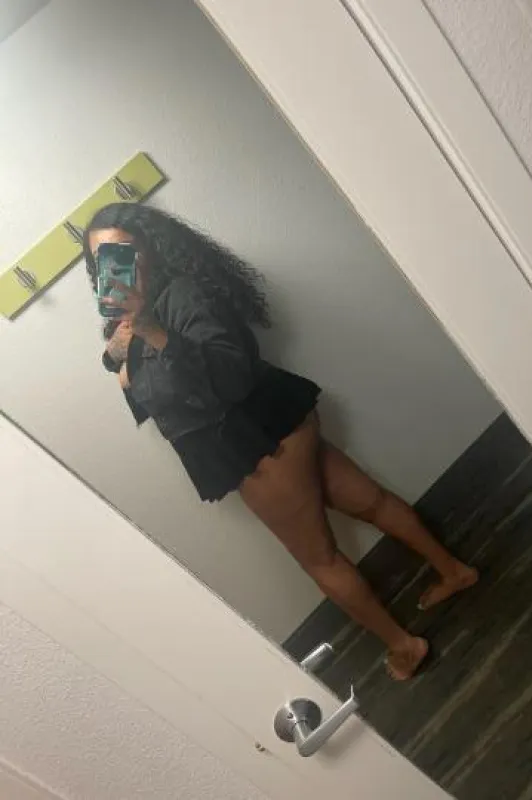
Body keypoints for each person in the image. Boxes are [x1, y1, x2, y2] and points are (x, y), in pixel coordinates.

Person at [84, 203, 478, 680]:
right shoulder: (137, 318)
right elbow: (156, 388)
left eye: (123, 251)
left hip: (255, 442)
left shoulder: (180, 298)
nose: (115, 267)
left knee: (320, 559)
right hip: (271, 431)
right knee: (369, 501)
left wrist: (148, 332)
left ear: (150, 249)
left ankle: (405, 647)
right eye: (101, 259)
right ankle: (454, 571)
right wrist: (117, 356)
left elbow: (228, 377)